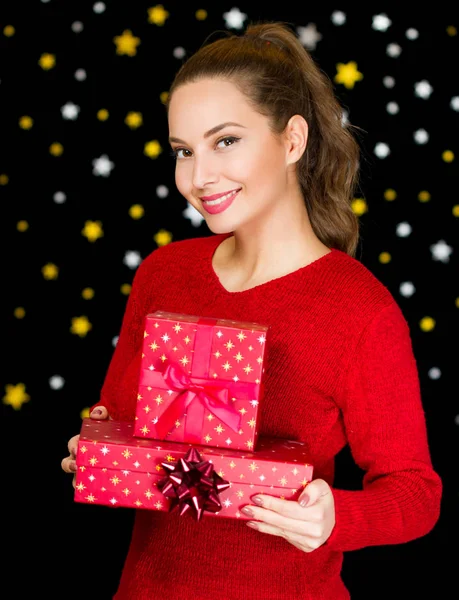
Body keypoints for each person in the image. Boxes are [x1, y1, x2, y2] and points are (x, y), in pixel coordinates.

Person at [61, 21, 442, 599]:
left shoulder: (359, 309)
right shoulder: (165, 273)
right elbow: (115, 414)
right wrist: (94, 448)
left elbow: (416, 492)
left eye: (226, 141)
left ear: (292, 140)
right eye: (184, 152)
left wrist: (335, 517)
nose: (198, 177)